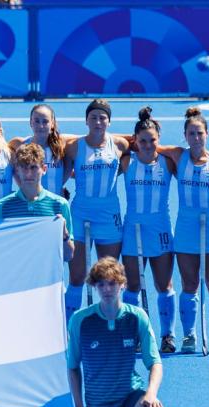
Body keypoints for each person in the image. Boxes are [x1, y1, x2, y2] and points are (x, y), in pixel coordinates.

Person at [0, 142, 73, 407]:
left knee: (46, 366)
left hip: (47, 297)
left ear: (43, 170)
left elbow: (69, 255)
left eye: (34, 168)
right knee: (10, 364)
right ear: (16, 172)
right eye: (23, 168)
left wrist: (63, 235)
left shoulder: (59, 206)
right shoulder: (3, 207)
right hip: (14, 298)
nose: (28, 173)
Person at [67, 256, 164, 407]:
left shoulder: (136, 317)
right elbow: (72, 366)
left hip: (130, 394)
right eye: (101, 284)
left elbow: (155, 363)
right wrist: (79, 405)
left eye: (112, 283)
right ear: (95, 287)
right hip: (99, 405)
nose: (107, 289)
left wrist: (151, 394)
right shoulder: (80, 321)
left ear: (122, 285)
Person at [158, 108, 209, 354]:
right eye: (191, 133)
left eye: (200, 133)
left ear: (207, 134)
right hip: (185, 228)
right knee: (189, 283)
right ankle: (190, 334)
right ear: (185, 135)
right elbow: (145, 144)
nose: (196, 138)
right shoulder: (178, 156)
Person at [62, 99, 130, 321]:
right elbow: (56, 157)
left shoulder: (120, 145)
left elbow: (149, 144)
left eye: (102, 117)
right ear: (86, 121)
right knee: (77, 276)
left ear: (109, 121)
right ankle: (70, 327)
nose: (98, 121)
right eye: (93, 117)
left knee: (109, 275)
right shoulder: (74, 146)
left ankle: (111, 319)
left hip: (109, 215)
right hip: (80, 213)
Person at [119, 107, 178, 354]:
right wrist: (129, 142)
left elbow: (196, 156)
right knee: (132, 286)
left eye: (152, 140)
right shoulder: (126, 161)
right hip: (133, 230)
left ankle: (167, 335)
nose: (147, 145)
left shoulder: (168, 162)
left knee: (164, 285)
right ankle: (134, 334)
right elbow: (107, 141)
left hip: (161, 229)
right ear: (135, 141)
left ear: (159, 140)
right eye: (141, 141)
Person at [8, 104, 70, 197]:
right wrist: (21, 185)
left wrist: (60, 184)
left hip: (55, 205)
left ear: (52, 124)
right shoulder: (19, 144)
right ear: (30, 122)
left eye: (45, 121)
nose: (40, 126)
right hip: (30, 205)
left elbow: (70, 164)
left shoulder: (62, 146)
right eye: (36, 121)